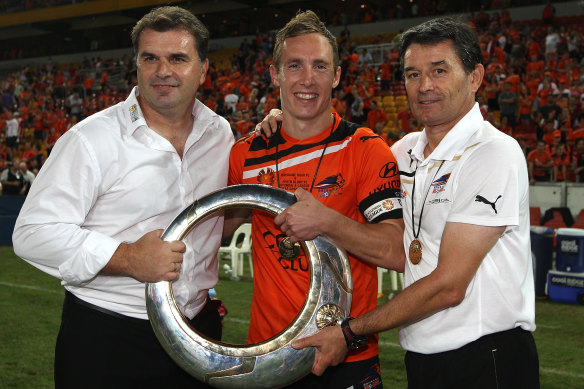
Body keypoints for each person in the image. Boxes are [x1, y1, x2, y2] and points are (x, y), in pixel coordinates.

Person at [289, 17, 539, 388]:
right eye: (412, 74)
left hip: (488, 358)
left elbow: (449, 286)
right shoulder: (404, 151)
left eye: (439, 71)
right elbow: (388, 241)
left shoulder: (493, 153)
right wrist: (284, 125)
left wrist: (350, 331)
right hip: (423, 357)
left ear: (475, 77)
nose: (425, 86)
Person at [12, 6, 233, 388]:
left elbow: (220, 216)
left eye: (178, 58)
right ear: (136, 66)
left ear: (204, 68)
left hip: (200, 330)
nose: (163, 71)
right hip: (109, 335)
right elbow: (32, 232)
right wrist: (128, 258)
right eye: (150, 58)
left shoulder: (220, 134)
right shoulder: (90, 138)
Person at [228, 10, 404, 389]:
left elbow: (396, 252)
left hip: (346, 354)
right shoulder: (244, 154)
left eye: (320, 66)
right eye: (294, 65)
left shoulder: (366, 149)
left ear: (337, 75)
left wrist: (327, 221)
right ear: (275, 74)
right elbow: (215, 226)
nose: (307, 80)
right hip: (268, 355)